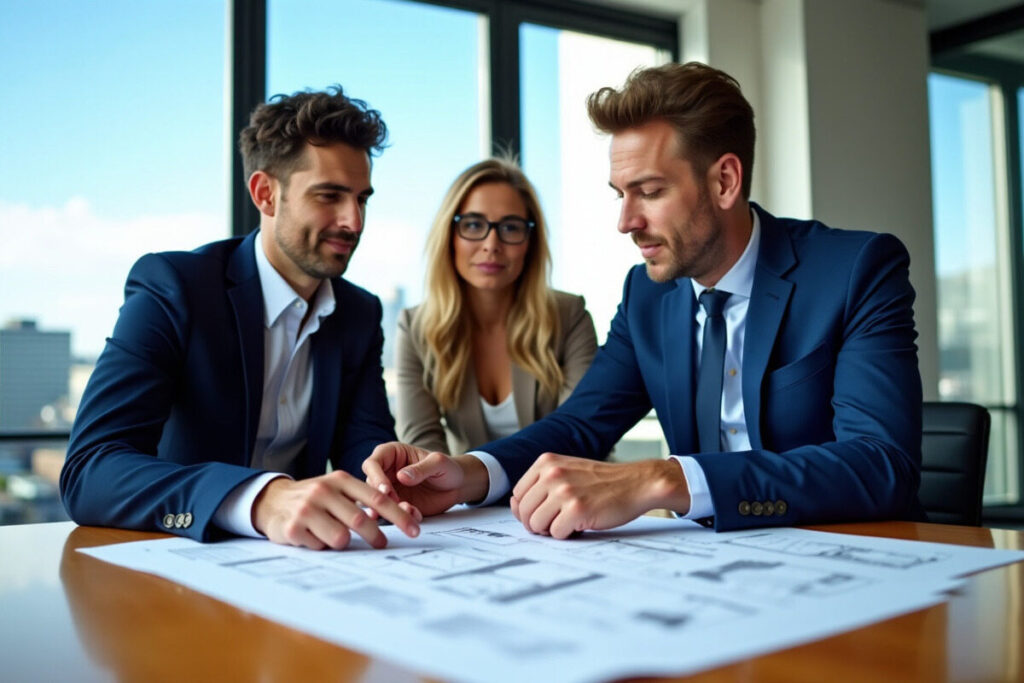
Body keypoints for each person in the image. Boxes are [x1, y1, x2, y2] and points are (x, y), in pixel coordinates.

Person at [364, 62, 924, 536]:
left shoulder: (856, 270)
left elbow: (881, 464)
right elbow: (579, 425)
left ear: (725, 181)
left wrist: (665, 479)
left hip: (853, 557)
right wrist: (470, 473)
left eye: (650, 192)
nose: (626, 222)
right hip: (709, 574)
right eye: (620, 194)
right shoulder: (647, 296)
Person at [60, 86, 420, 549]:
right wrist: (257, 499)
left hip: (302, 564)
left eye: (362, 198)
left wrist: (385, 479)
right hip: (177, 564)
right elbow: (90, 470)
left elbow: (362, 439)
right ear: (265, 194)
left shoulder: (359, 311)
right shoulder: (175, 287)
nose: (354, 221)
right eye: (329, 196)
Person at [396, 158, 598, 457]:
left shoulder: (569, 316)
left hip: (562, 495)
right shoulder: (415, 327)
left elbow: (577, 436)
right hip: (465, 501)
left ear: (530, 242)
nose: (492, 244)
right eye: (474, 224)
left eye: (511, 227)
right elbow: (420, 448)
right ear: (449, 236)